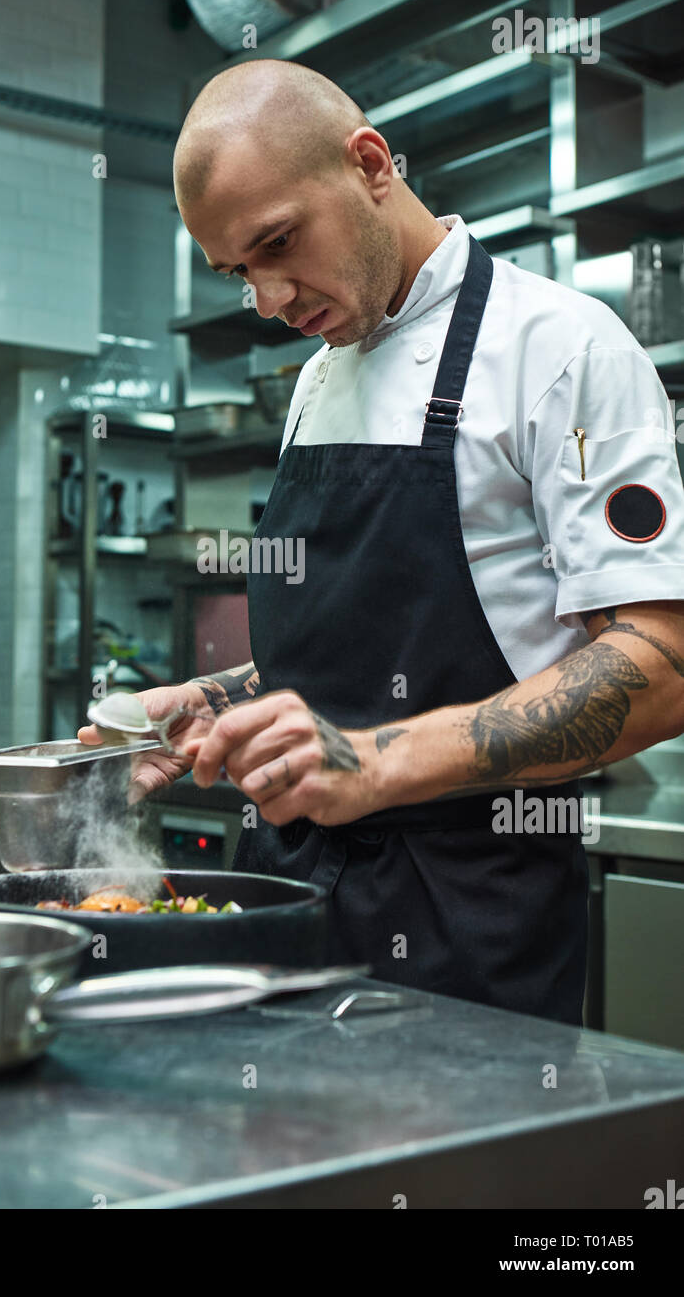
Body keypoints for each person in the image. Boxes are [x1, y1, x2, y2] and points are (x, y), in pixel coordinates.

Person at [80, 59, 684, 1025]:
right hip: (283, 892)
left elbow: (658, 666)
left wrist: (370, 763)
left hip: (470, 908)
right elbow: (341, 654)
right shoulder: (320, 379)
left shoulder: (560, 345)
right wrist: (212, 700)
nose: (269, 299)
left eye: (278, 243)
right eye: (240, 271)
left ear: (368, 163)